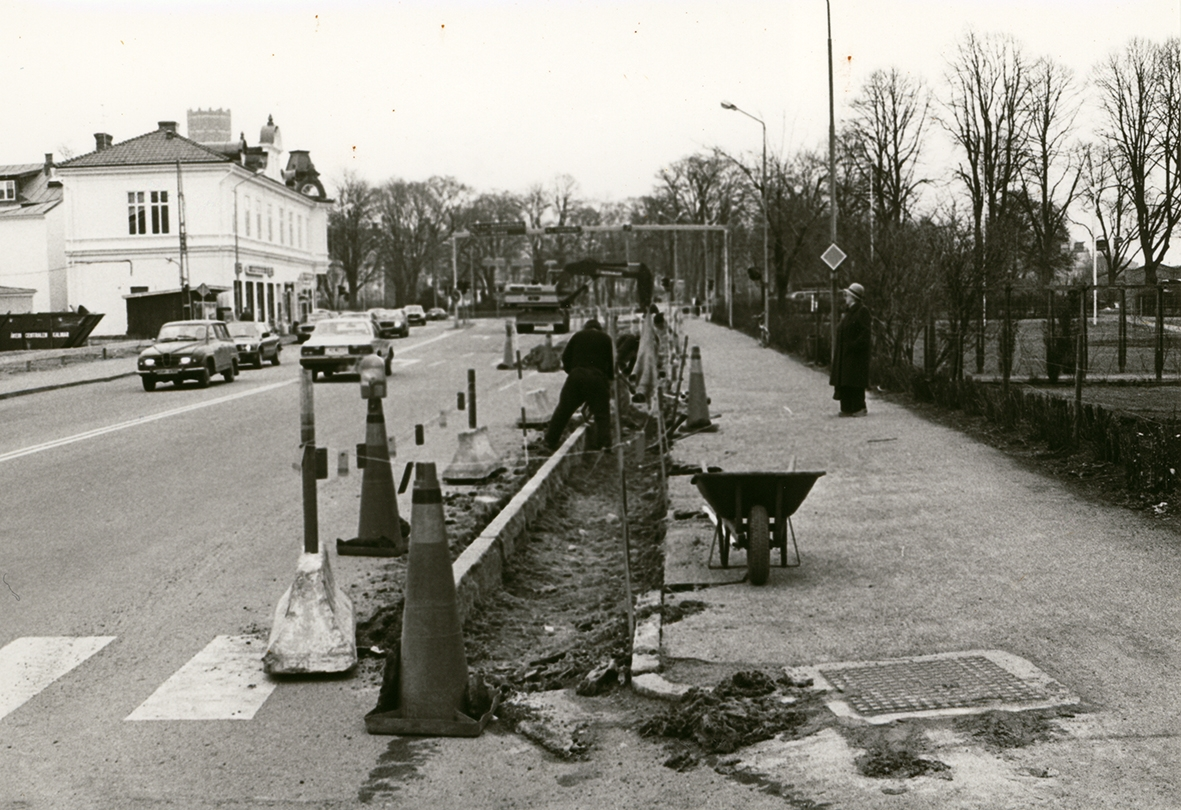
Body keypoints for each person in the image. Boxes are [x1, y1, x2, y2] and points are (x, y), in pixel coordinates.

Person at [544, 319, 614, 451]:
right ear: (600, 329)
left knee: (563, 410)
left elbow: (565, 358)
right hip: (597, 378)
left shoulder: (577, 336)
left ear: (585, 327)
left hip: (577, 376)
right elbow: (610, 364)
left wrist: (573, 372)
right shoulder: (606, 339)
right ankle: (605, 444)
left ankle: (550, 441)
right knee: (602, 414)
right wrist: (608, 380)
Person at [830, 282, 871, 417]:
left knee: (854, 380)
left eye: (847, 295)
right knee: (846, 380)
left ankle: (860, 407)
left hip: (855, 354)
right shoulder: (848, 312)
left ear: (853, 297)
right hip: (846, 353)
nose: (845, 297)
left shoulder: (861, 311)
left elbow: (865, 334)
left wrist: (852, 346)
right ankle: (847, 408)